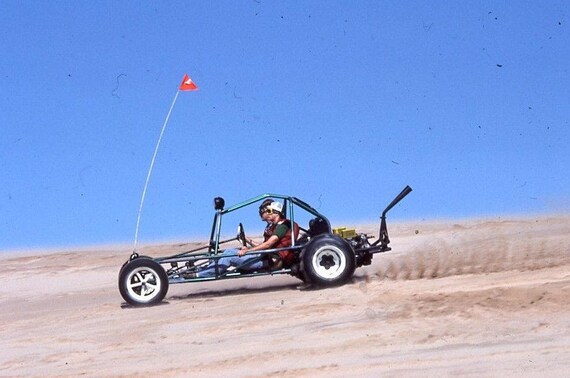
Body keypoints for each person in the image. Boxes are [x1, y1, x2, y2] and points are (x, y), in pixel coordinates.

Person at [193, 201, 292, 278]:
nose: (268, 213)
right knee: (229, 251)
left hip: (267, 260)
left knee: (229, 257)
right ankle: (201, 270)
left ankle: (198, 275)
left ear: (277, 212)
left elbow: (268, 245)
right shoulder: (273, 227)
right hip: (262, 256)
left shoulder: (282, 227)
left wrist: (247, 251)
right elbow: (264, 246)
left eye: (270, 211)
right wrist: (248, 240)